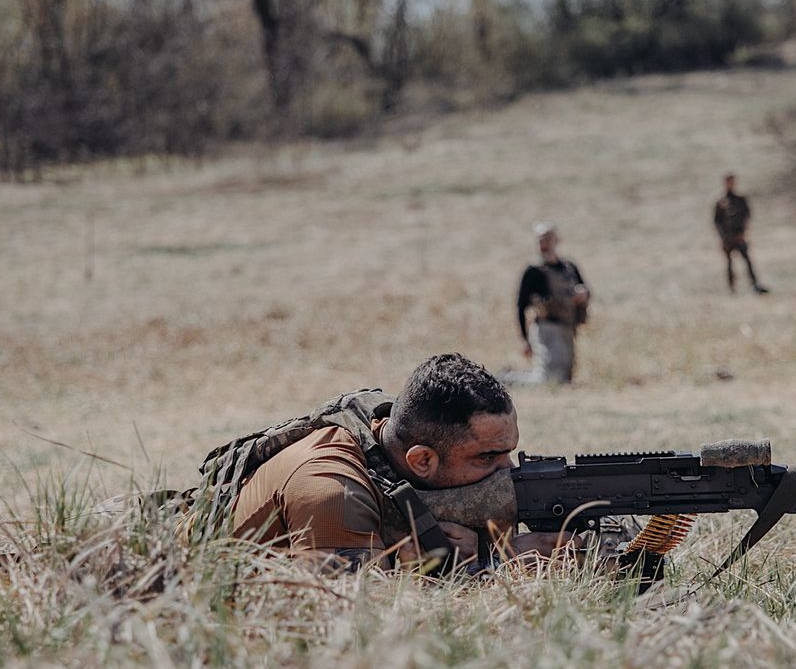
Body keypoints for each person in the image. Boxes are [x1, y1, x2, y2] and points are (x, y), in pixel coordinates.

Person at [226, 354, 559, 568]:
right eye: (487, 457)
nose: (508, 471)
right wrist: (497, 565)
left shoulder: (403, 432)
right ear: (422, 460)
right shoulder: (331, 490)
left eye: (508, 452)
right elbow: (348, 620)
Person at [511, 222, 589, 384]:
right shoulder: (533, 271)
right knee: (548, 379)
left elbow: (586, 291)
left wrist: (583, 294)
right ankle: (507, 379)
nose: (543, 243)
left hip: (567, 328)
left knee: (564, 378)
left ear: (557, 240)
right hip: (546, 330)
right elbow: (521, 306)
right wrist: (525, 340)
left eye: (547, 238)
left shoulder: (569, 268)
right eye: (540, 239)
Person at [713, 173, 768, 294]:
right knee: (729, 264)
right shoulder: (721, 201)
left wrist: (743, 233)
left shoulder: (740, 200)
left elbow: (747, 216)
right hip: (727, 238)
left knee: (747, 260)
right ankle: (732, 288)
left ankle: (754, 285)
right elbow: (717, 222)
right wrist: (723, 237)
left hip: (739, 237)